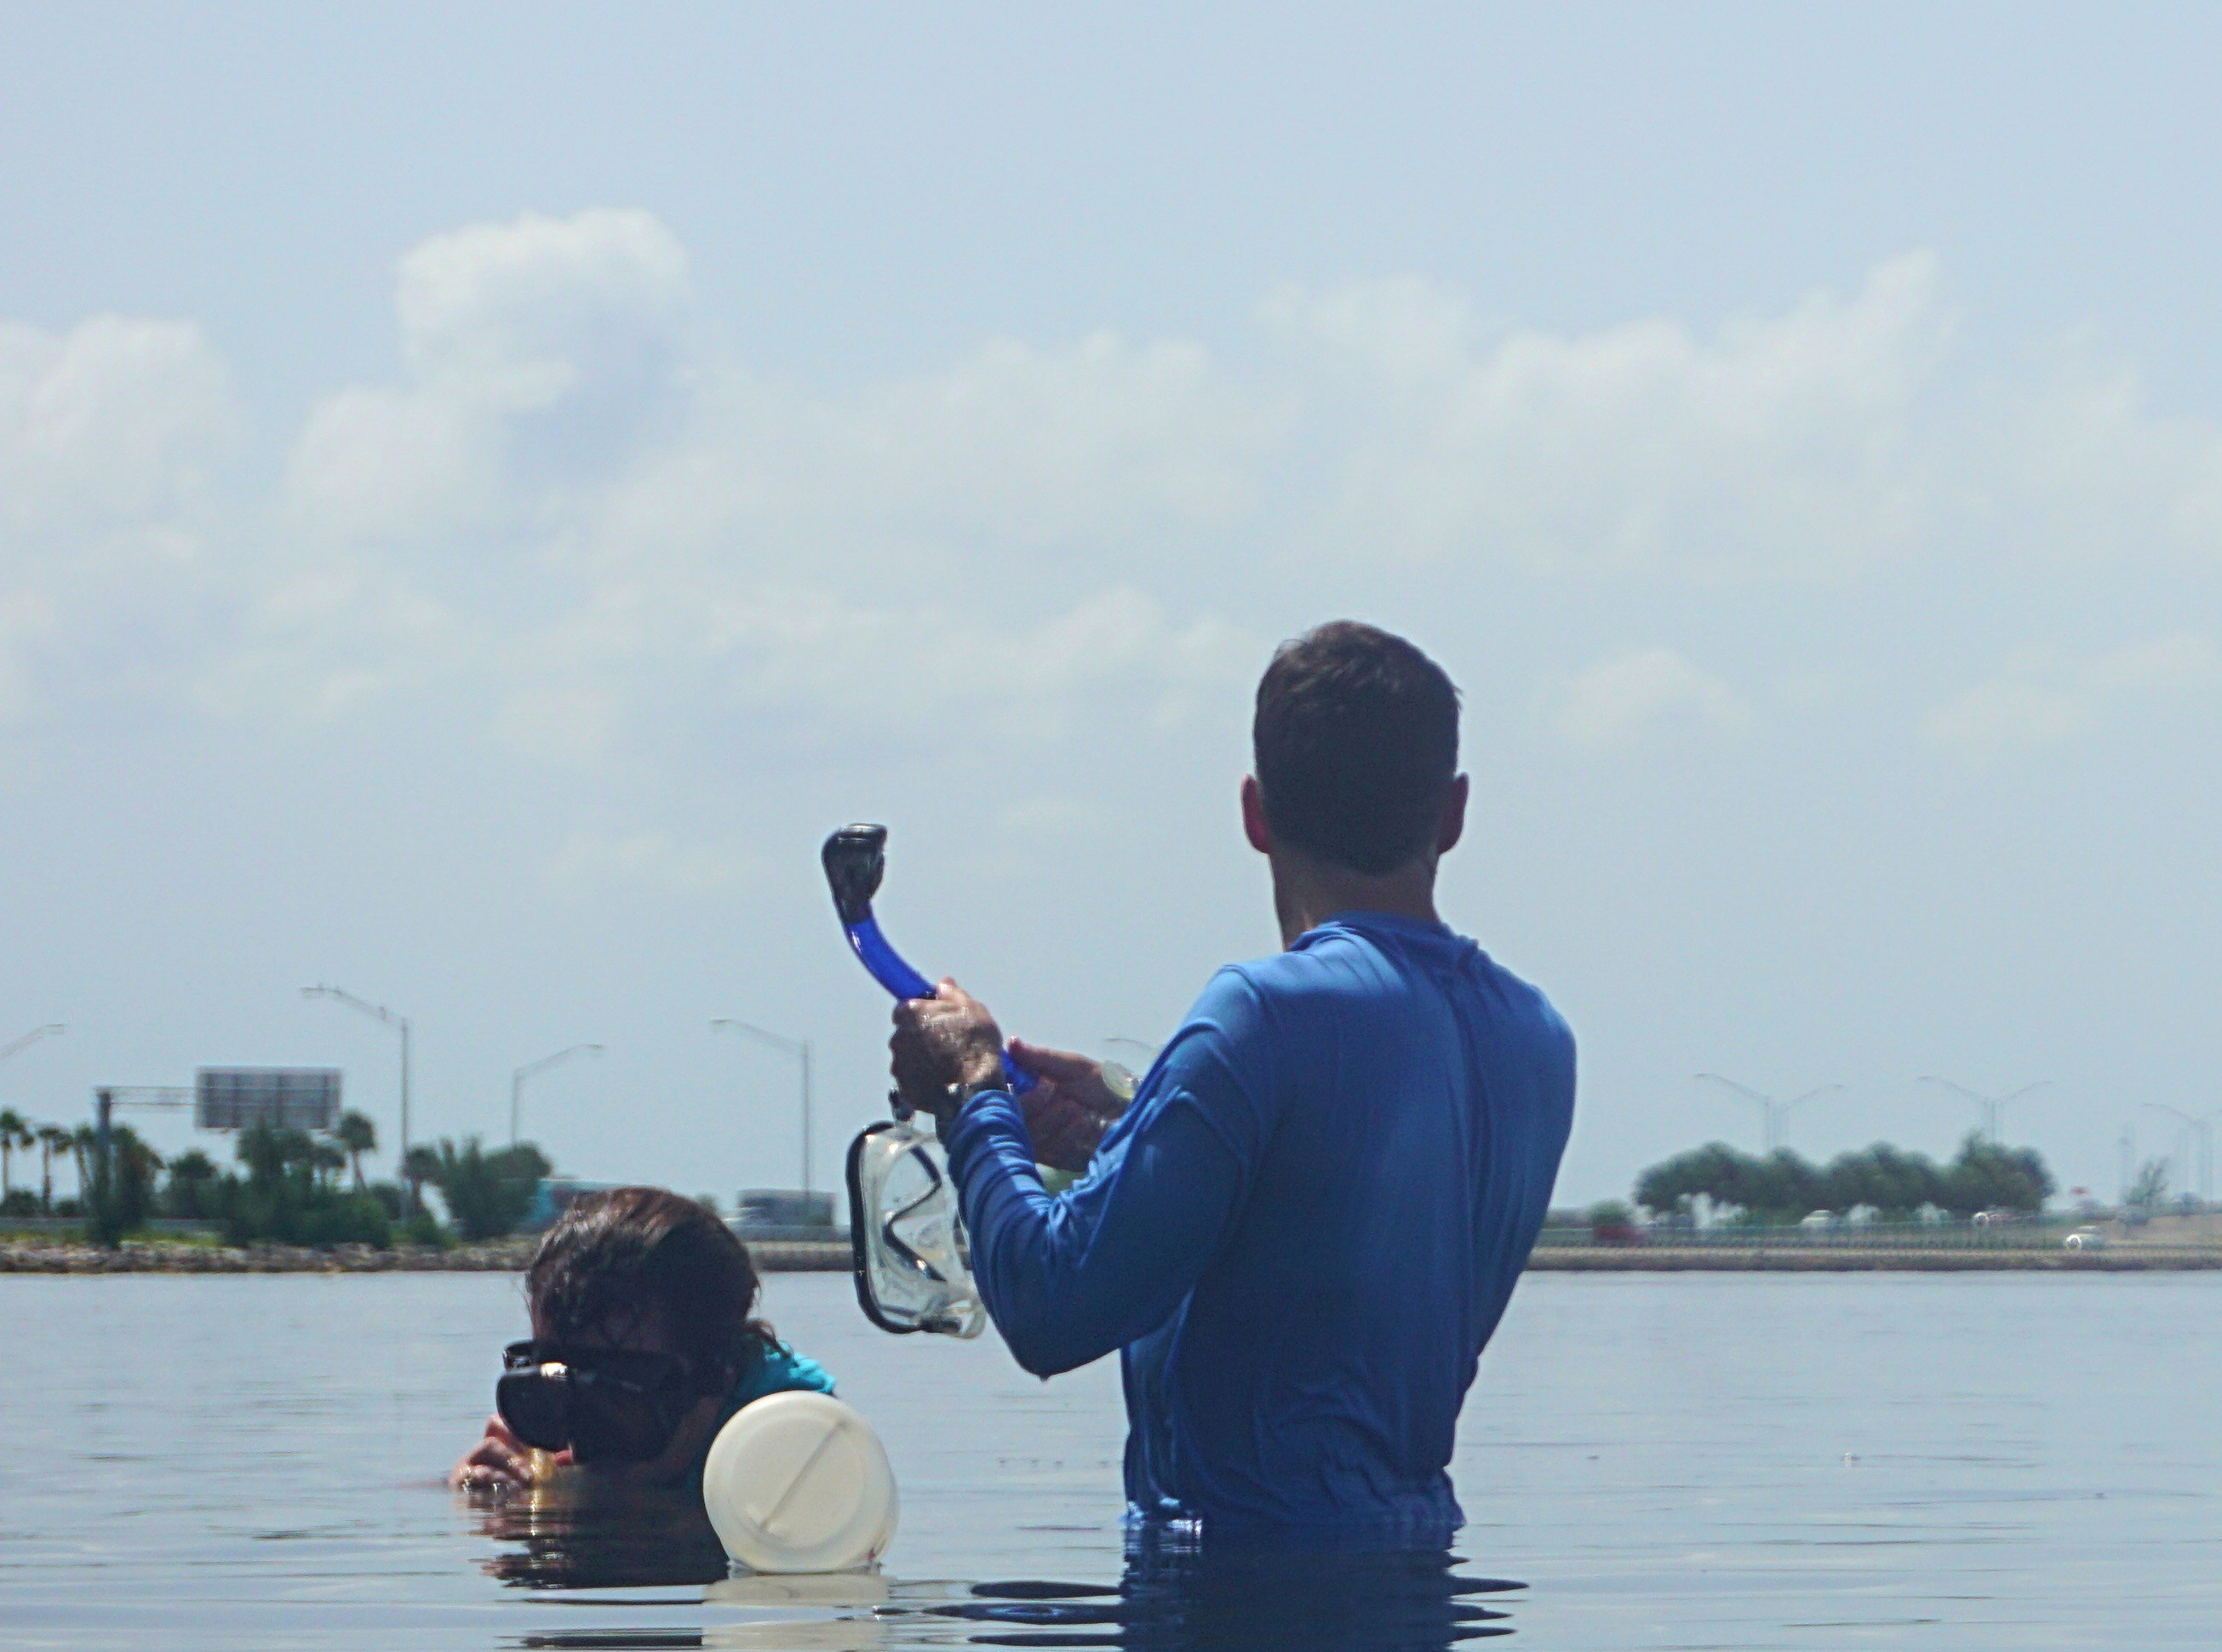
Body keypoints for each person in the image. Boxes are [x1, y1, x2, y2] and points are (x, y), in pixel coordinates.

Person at [886, 620, 1578, 1552]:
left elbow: (1053, 1307)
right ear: (1453, 813)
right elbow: (1324, 1220)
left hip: (1229, 1608)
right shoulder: (1538, 1039)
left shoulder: (1261, 1012)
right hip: (1416, 1578)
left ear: (1255, 813)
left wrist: (974, 1090)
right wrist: (1128, 1134)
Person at [453, 1185, 837, 1498]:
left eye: (615, 1395)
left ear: (713, 1378)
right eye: (554, 1391)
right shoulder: (553, 1446)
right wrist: (477, 1488)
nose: (577, 1448)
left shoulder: (794, 1446)